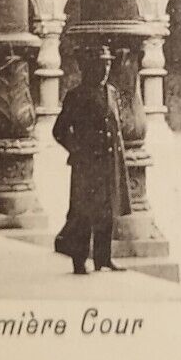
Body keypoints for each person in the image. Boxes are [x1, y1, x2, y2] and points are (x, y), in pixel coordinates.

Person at [52, 45, 132, 274]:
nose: (105, 69)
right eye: (100, 64)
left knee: (107, 211)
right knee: (83, 213)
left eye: (107, 64)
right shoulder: (76, 96)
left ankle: (103, 258)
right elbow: (59, 130)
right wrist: (76, 150)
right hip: (87, 165)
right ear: (89, 67)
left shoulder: (112, 92)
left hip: (108, 162)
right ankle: (79, 260)